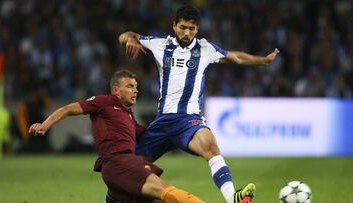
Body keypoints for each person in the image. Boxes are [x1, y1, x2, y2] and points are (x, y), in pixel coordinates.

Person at [119, 5, 280, 203]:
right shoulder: (160, 44)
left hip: (189, 120)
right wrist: (131, 38)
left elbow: (235, 57)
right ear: (174, 25)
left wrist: (263, 61)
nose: (187, 33)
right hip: (162, 123)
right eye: (183, 27)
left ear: (198, 29)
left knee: (211, 146)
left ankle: (233, 198)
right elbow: (125, 35)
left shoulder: (205, 49)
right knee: (126, 168)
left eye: (192, 29)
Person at [28, 70, 205, 203]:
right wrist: (44, 125)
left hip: (116, 171)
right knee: (166, 191)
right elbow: (67, 109)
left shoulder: (128, 116)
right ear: (116, 90)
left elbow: (153, 137)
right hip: (120, 163)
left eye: (136, 87)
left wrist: (177, 134)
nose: (135, 90)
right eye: (129, 86)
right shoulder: (104, 102)